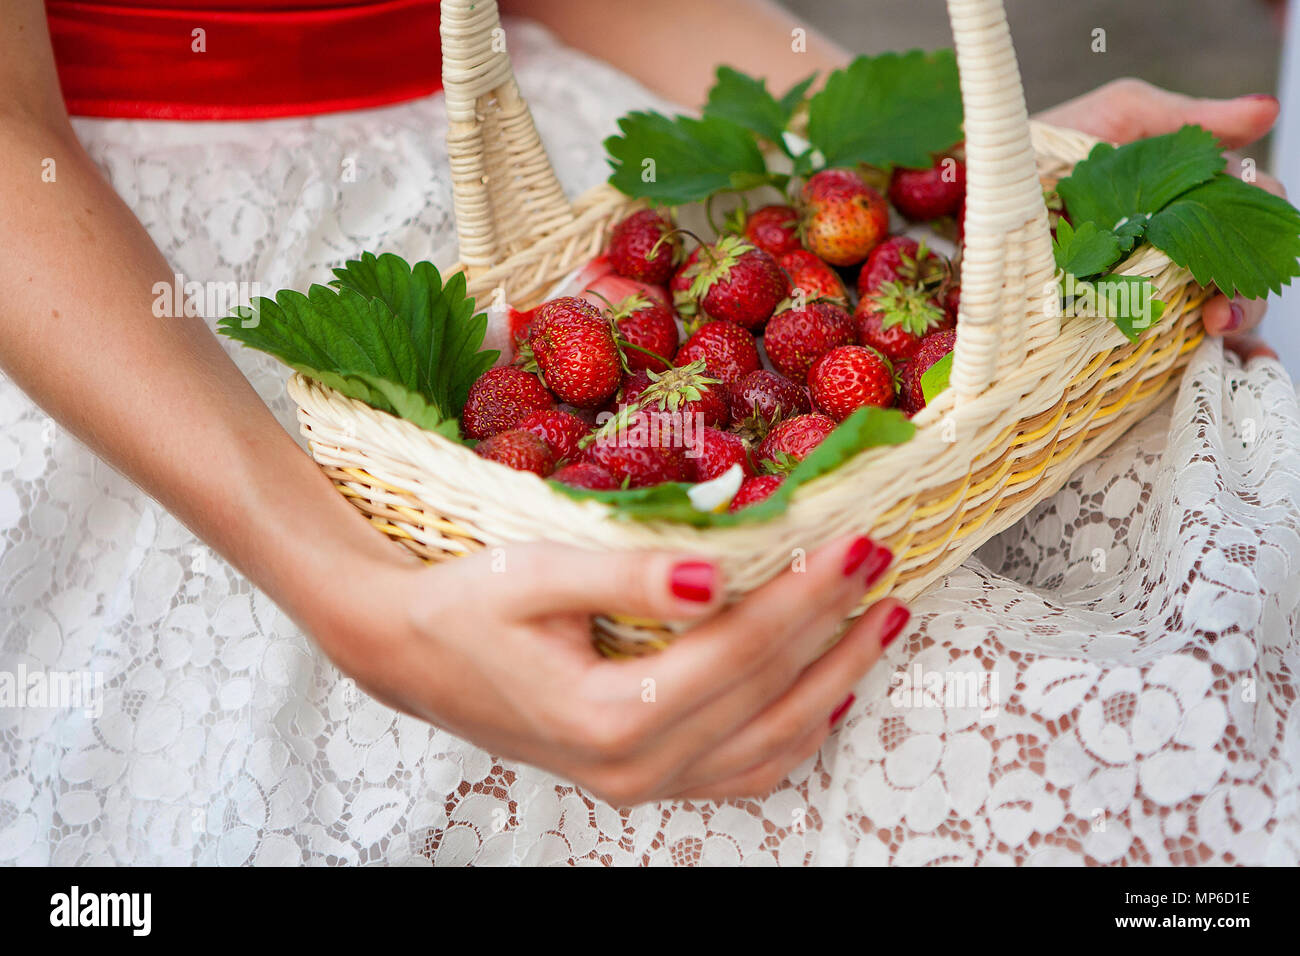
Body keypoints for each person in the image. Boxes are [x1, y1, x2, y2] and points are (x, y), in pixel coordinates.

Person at [0, 0, 1294, 865]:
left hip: (547, 162)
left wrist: (963, 159)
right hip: (119, 296)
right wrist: (353, 598)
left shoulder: (672, 303)